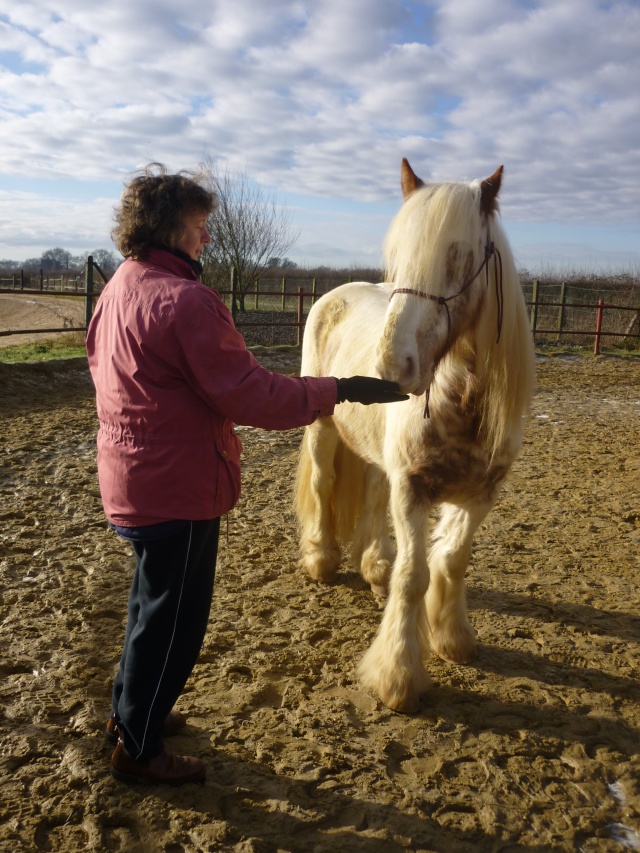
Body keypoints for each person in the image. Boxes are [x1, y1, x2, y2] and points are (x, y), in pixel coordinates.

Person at [86, 163, 407, 786]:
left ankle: (130, 716)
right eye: (200, 227)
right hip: (178, 485)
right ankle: (139, 750)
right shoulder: (187, 301)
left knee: (148, 609)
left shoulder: (121, 284)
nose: (207, 238)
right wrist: (337, 387)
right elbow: (252, 394)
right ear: (171, 228)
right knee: (175, 626)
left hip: (132, 476)